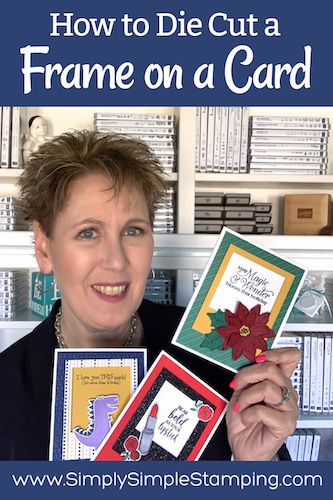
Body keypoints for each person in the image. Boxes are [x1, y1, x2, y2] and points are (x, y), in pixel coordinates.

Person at [0, 130, 299, 460]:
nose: (116, 261)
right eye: (87, 232)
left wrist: (254, 465)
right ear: (44, 247)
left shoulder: (215, 357)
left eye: (133, 230)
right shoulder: (8, 386)